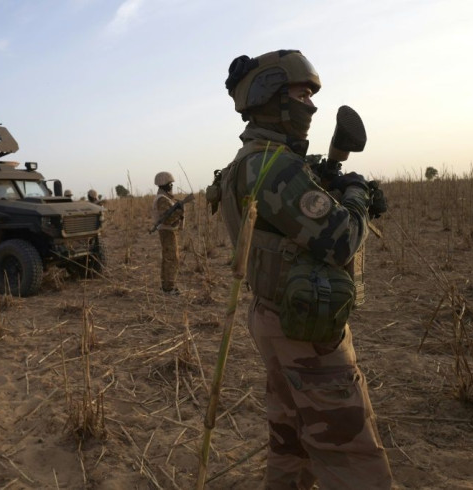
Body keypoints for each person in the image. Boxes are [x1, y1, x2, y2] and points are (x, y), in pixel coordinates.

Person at [218, 50, 392, 488]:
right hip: (305, 330)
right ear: (270, 97)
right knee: (351, 451)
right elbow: (339, 241)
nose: (310, 105)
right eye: (301, 93)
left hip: (276, 315)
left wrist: (338, 186)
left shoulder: (253, 160)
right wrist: (357, 197)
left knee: (291, 442)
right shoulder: (275, 166)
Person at [152, 171, 184, 294]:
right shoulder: (162, 199)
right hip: (167, 231)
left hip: (167, 231)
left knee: (169, 258)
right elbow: (168, 219)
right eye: (170, 184)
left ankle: (167, 286)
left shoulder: (164, 197)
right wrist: (179, 211)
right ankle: (168, 287)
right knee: (171, 258)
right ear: (163, 184)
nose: (171, 186)